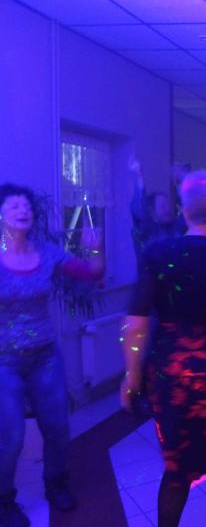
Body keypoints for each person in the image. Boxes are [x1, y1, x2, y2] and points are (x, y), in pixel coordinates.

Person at [121, 171, 206, 527]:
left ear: (184, 211)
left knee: (177, 469)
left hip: (172, 378)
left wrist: (131, 376)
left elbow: (135, 324)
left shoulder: (156, 254)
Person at [0, 183, 104, 527]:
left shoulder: (47, 252)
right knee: (11, 436)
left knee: (57, 427)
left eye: (26, 205)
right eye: (13, 206)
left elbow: (92, 273)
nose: (23, 210)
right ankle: (4, 501)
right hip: (4, 361)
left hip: (45, 357)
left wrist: (94, 248)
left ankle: (56, 483)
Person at [128, 156, 187, 267]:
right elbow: (140, 209)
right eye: (163, 206)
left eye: (168, 205)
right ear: (152, 212)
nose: (168, 209)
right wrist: (140, 176)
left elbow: (189, 210)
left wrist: (183, 179)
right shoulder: (147, 230)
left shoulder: (176, 228)